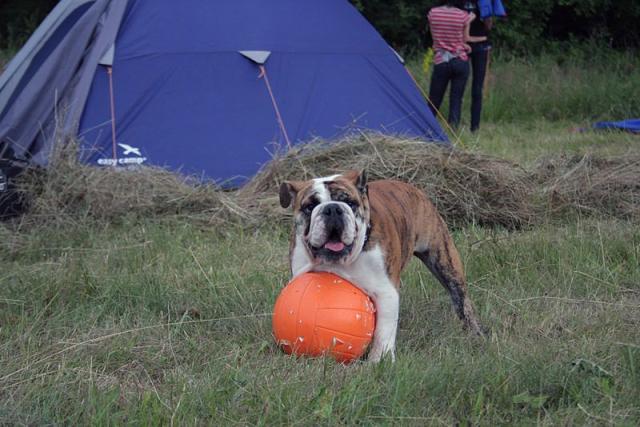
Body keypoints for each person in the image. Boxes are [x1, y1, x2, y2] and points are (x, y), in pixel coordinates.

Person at [427, 0, 487, 129]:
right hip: (460, 60)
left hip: (441, 60)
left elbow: (434, 38)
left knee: (434, 98)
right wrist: (471, 24)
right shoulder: (463, 15)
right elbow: (465, 39)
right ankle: (453, 129)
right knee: (456, 98)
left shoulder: (433, 13)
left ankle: (426, 127)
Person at [464, 0, 503, 132]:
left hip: (479, 46)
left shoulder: (484, 2)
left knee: (475, 88)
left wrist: (486, 16)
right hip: (466, 45)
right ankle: (459, 125)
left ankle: (473, 126)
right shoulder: (461, 3)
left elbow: (488, 25)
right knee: (461, 86)